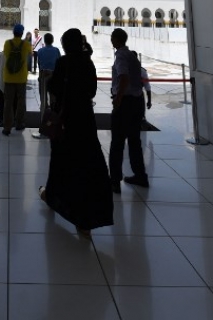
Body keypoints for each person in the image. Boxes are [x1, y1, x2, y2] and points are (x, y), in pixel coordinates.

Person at [39, 28, 113, 238]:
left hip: (67, 120)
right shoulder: (88, 62)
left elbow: (54, 87)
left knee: (62, 162)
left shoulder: (64, 62)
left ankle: (53, 197)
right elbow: (91, 90)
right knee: (88, 165)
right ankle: (87, 220)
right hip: (85, 120)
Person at [109, 28, 149, 192]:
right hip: (137, 101)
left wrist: (118, 99)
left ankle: (114, 181)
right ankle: (140, 175)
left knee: (117, 142)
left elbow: (124, 77)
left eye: (112, 38)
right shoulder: (132, 55)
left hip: (125, 103)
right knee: (134, 141)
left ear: (117, 40)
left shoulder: (120, 55)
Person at [2, 24, 32, 135]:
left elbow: (6, 54)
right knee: (21, 101)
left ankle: (7, 127)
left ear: (13, 32)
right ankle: (19, 123)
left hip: (8, 77)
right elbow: (30, 53)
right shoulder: (26, 44)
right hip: (21, 78)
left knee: (8, 103)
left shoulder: (7, 43)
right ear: (22, 33)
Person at [37, 32, 60, 109]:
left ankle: (43, 106)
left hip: (43, 74)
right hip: (53, 74)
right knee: (53, 95)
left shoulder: (40, 51)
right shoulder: (56, 50)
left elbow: (39, 64)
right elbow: (59, 63)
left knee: (43, 94)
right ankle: (53, 109)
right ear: (52, 40)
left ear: (45, 41)